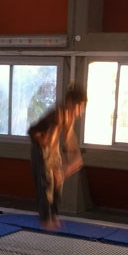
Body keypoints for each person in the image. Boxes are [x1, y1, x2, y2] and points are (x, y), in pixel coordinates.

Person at [28, 83, 87, 231]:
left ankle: (53, 215)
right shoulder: (57, 114)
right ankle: (45, 218)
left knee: (58, 184)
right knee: (46, 183)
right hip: (41, 149)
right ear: (70, 103)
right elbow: (34, 132)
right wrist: (44, 148)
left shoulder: (69, 118)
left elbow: (69, 140)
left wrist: (69, 162)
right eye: (79, 107)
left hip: (54, 151)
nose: (80, 113)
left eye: (82, 109)